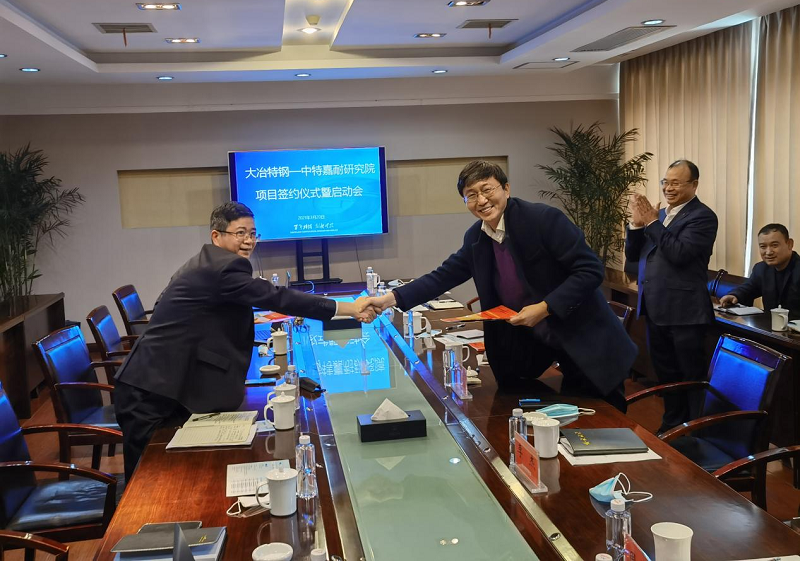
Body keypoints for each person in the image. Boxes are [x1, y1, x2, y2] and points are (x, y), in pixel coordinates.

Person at [115, 202, 376, 480]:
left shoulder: (205, 262)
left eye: (253, 234)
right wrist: (348, 308)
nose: (249, 241)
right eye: (240, 233)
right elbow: (278, 297)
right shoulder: (224, 267)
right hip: (152, 391)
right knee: (146, 479)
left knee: (172, 475)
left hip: (162, 383)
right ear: (217, 236)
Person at [370, 160, 637, 410]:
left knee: (606, 422)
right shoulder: (476, 237)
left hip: (590, 343)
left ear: (506, 189)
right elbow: (443, 276)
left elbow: (590, 270)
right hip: (546, 346)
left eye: (487, 190)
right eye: (471, 195)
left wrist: (545, 307)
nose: (481, 200)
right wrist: (389, 299)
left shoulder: (543, 220)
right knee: (568, 419)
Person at [625, 159, 718, 432]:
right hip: (655, 308)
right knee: (666, 374)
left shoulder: (703, 216)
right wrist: (637, 225)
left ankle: (696, 431)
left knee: (690, 377)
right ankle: (672, 426)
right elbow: (634, 256)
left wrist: (652, 222)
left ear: (694, 185)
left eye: (676, 183)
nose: (668, 188)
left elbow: (679, 253)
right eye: (665, 182)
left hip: (685, 312)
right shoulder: (661, 215)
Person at [720, 223, 800, 318]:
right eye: (763, 247)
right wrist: (735, 295)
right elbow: (748, 288)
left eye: (774, 245)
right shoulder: (761, 268)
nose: (768, 252)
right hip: (769, 325)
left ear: (789, 244)